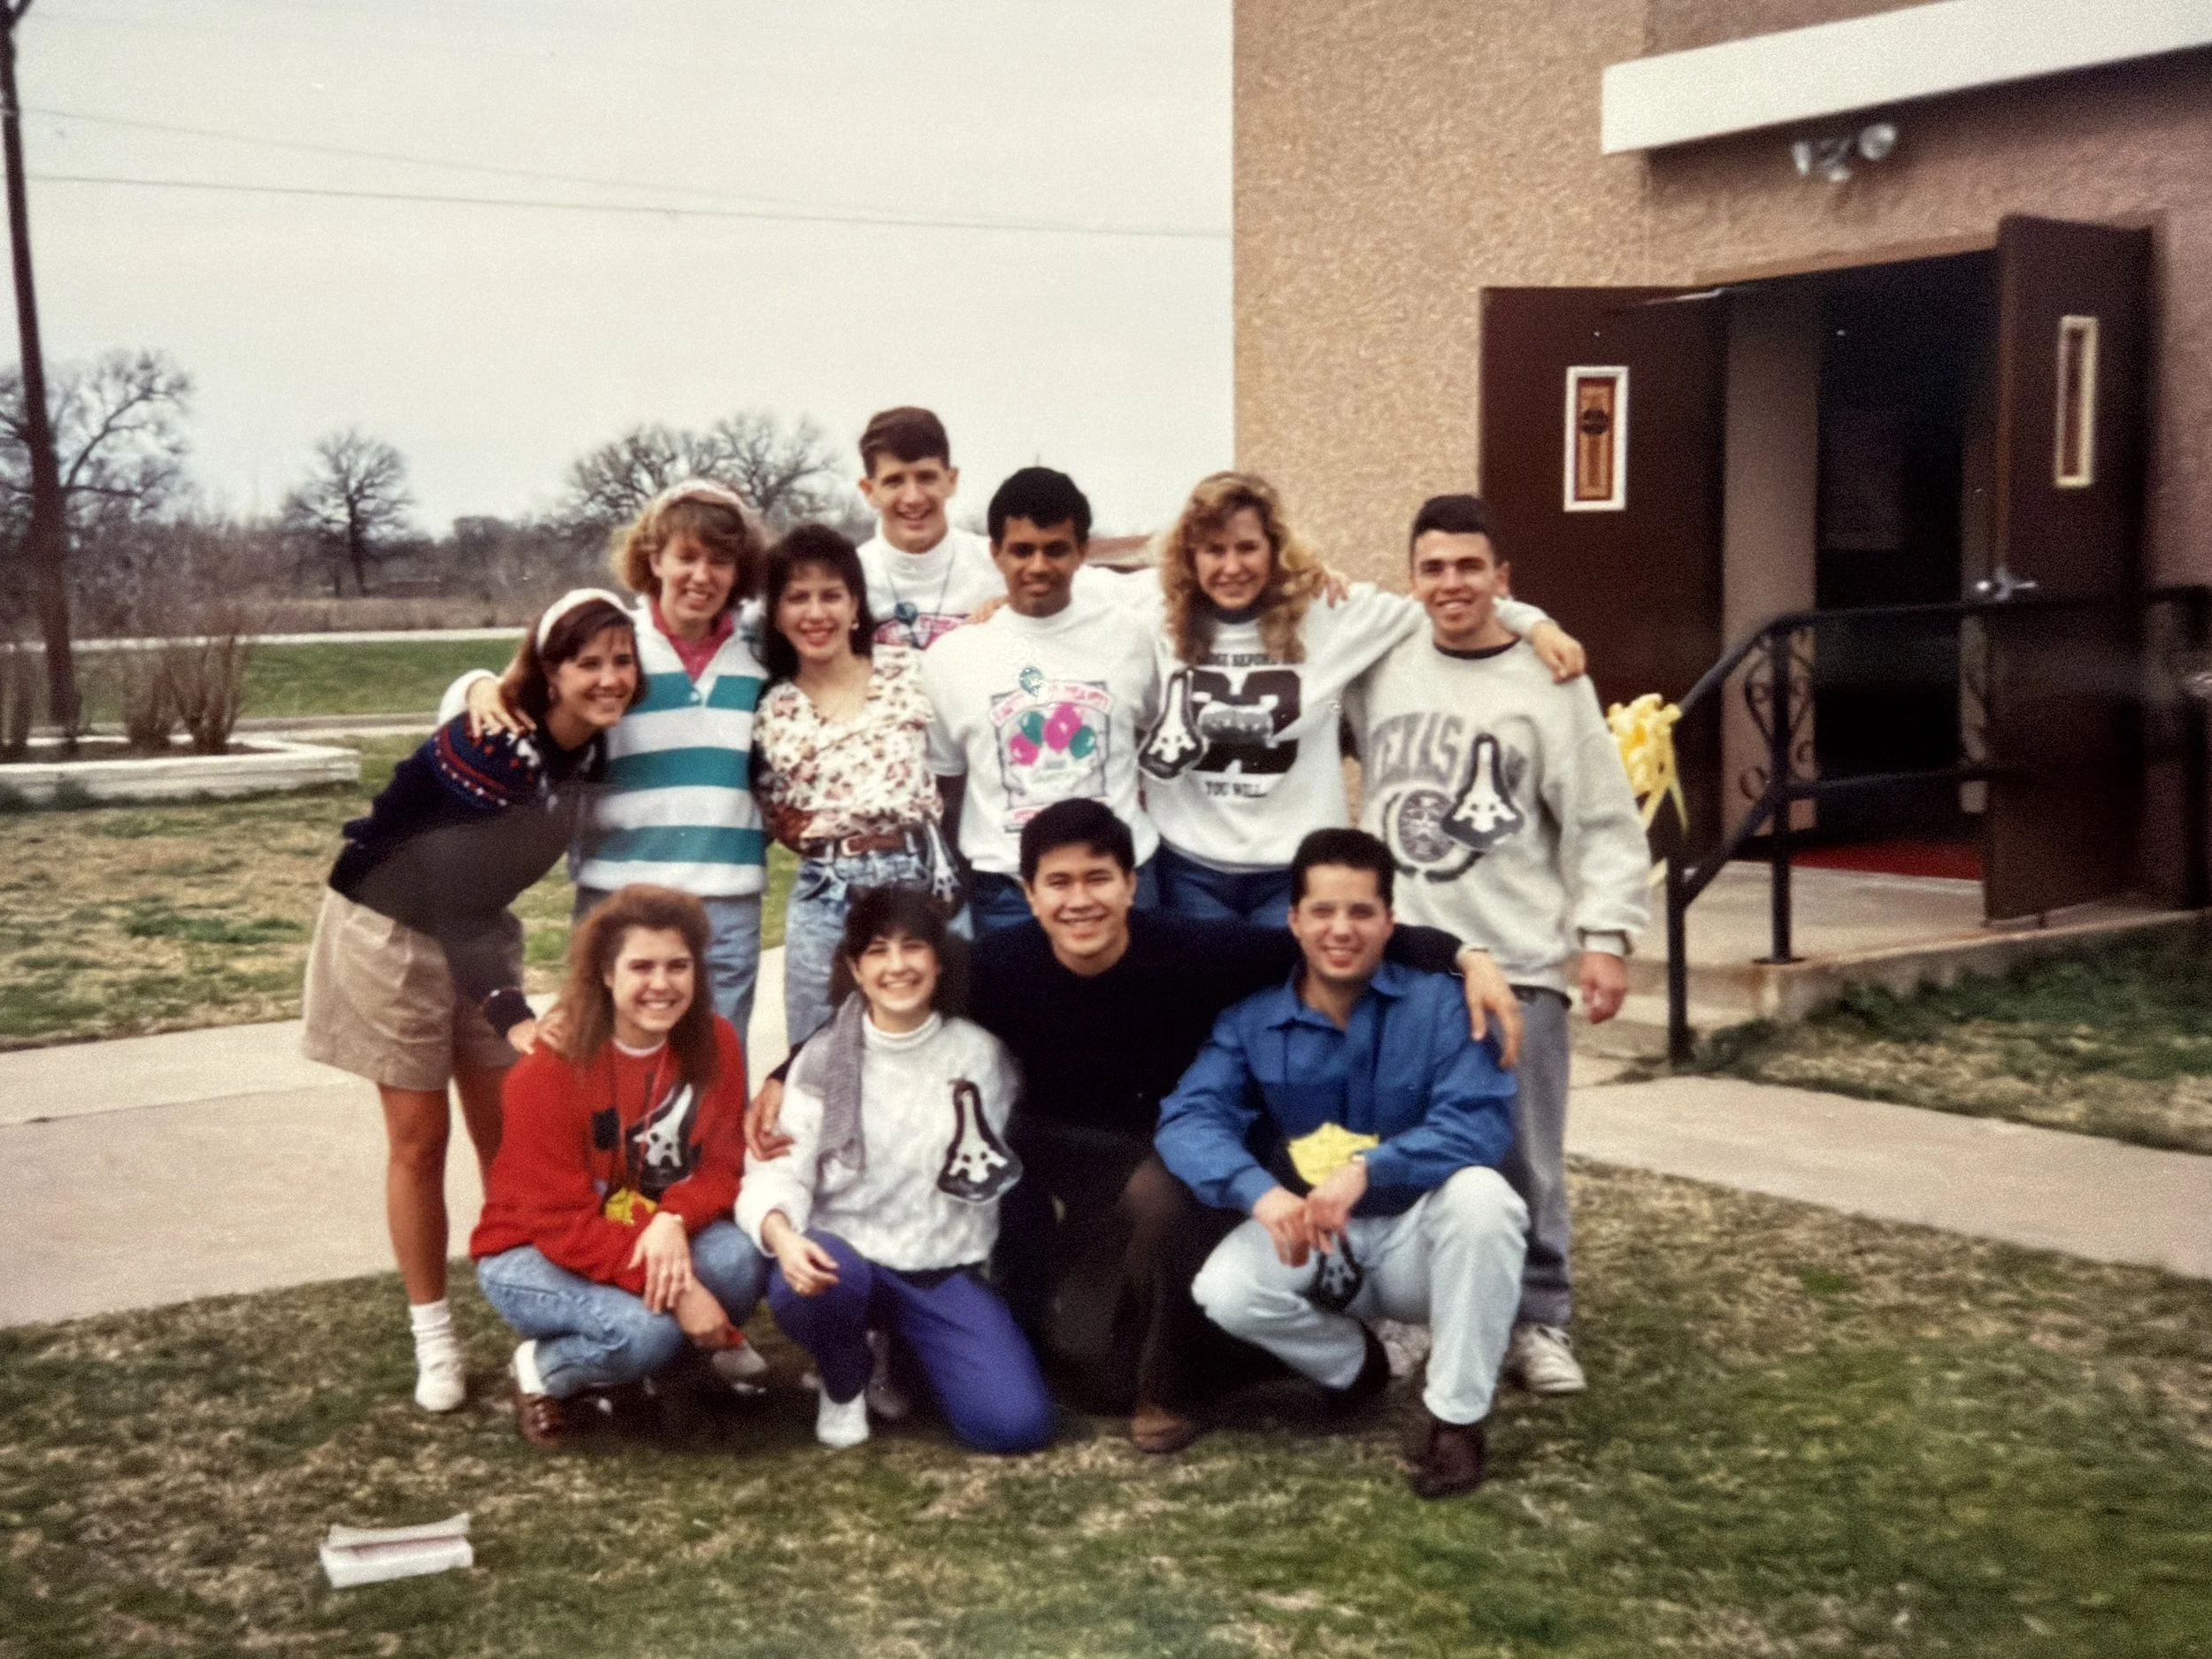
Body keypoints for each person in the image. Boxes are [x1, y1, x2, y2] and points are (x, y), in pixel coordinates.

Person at [757, 797, 1523, 1454]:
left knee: (1164, 1198)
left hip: (1170, 1146)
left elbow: (1328, 933)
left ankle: (1170, 1382)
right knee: (1059, 1310)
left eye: (1098, 878)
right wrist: (788, 1069)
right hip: (1049, 1141)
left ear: (1130, 884)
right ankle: (1008, 1341)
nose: (1079, 899)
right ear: (1028, 892)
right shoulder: (998, 964)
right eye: (1058, 882)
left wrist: (1464, 952)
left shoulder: (1193, 949)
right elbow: (890, 997)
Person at [301, 588, 641, 1412]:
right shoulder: (494, 752)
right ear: (549, 671)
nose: (608, 678)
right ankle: (436, 1338)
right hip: (389, 931)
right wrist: (513, 1015)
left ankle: (537, 1317)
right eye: (586, 662)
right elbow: (449, 899)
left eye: (621, 660)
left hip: (474, 930)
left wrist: (481, 681)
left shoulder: (582, 748)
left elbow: (474, 689)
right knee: (420, 1140)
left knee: (514, 1139)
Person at [1347, 493, 1650, 1399]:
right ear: (1412, 578)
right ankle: (1414, 1311)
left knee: (1524, 1157)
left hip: (1516, 955)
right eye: (1433, 568)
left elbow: (1599, 818)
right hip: (1400, 961)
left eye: (1470, 568)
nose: (1452, 585)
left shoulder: (1549, 681)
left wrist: (1603, 937)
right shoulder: (1383, 656)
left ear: (1501, 577)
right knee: (1396, 1141)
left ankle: (1539, 1319)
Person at [1155, 829, 1528, 1499]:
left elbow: (1478, 1121)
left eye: (1361, 911)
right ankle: (1356, 1366)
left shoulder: (1443, 1005)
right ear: (1293, 919)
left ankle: (1455, 1418)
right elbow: (1188, 1117)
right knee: (1226, 1287)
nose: (1341, 928)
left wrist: (1370, 1167)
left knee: (1486, 1199)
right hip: (1319, 1241)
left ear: (1391, 920)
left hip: (1420, 1236)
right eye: (1323, 910)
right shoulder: (1252, 1018)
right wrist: (1259, 1194)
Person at [1140, 471, 1586, 927]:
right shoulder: (1155, 616)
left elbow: (1445, 602)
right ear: (1190, 555)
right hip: (1190, 868)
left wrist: (1535, 624)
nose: (1231, 567)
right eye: (1214, 550)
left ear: (1274, 550)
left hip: (1294, 872)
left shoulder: (1328, 613)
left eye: (1248, 547)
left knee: (1291, 998)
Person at [738, 886, 1053, 1454]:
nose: (898, 965)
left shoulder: (983, 1055)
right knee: (811, 1284)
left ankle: (898, 1347)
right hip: (844, 1257)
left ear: (938, 958)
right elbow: (774, 1174)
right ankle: (844, 1375)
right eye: (878, 951)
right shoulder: (821, 1058)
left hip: (937, 1263)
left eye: (913, 947)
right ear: (856, 969)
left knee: (1013, 1426)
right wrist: (783, 1236)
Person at [453, 480, 773, 1034]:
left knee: (715, 1081)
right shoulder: (616, 649)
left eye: (720, 560)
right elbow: (512, 694)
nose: (702, 576)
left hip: (726, 907)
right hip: (619, 900)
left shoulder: (760, 658)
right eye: (687, 557)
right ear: (655, 557)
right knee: (609, 1082)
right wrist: (477, 686)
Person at [472, 884, 768, 1447]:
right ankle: (541, 1369)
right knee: (640, 1331)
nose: (662, 984)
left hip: (642, 1225)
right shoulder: (548, 1071)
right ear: (606, 974)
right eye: (642, 967)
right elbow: (561, 1224)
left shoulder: (717, 1042)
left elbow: (723, 1167)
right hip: (531, 1250)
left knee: (736, 1260)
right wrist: (680, 1292)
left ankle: (674, 1368)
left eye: (679, 966)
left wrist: (671, 1221)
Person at [920, 466, 1166, 933]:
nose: (1037, 566)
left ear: (1082, 553)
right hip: (1008, 889)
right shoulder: (952, 657)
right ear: (995, 552)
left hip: (1120, 880)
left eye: (1055, 549)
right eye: (1021, 550)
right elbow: (947, 784)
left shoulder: (1132, 638)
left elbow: (1154, 728)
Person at [753, 523, 960, 1045]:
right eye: (797, 598)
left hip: (918, 879)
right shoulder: (770, 704)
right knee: (817, 1050)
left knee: (939, 1039)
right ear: (776, 613)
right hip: (827, 890)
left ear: (855, 605)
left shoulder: (913, 671)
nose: (816, 613)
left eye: (831, 595)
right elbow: (763, 801)